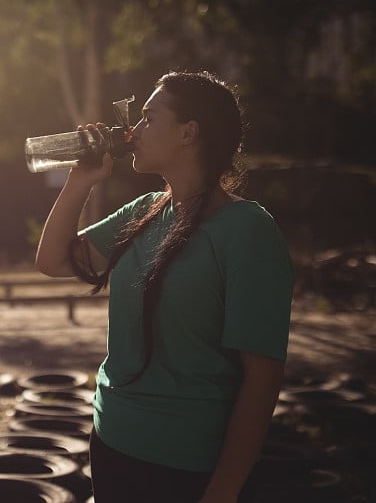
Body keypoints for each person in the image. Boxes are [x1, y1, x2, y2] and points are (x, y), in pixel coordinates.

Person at [35, 71, 294, 503]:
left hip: (185, 464)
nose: (132, 131)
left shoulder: (248, 229)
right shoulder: (145, 212)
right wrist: (80, 181)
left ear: (188, 133)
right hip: (112, 440)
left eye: (149, 118)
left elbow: (263, 379)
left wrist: (224, 491)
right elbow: (52, 261)